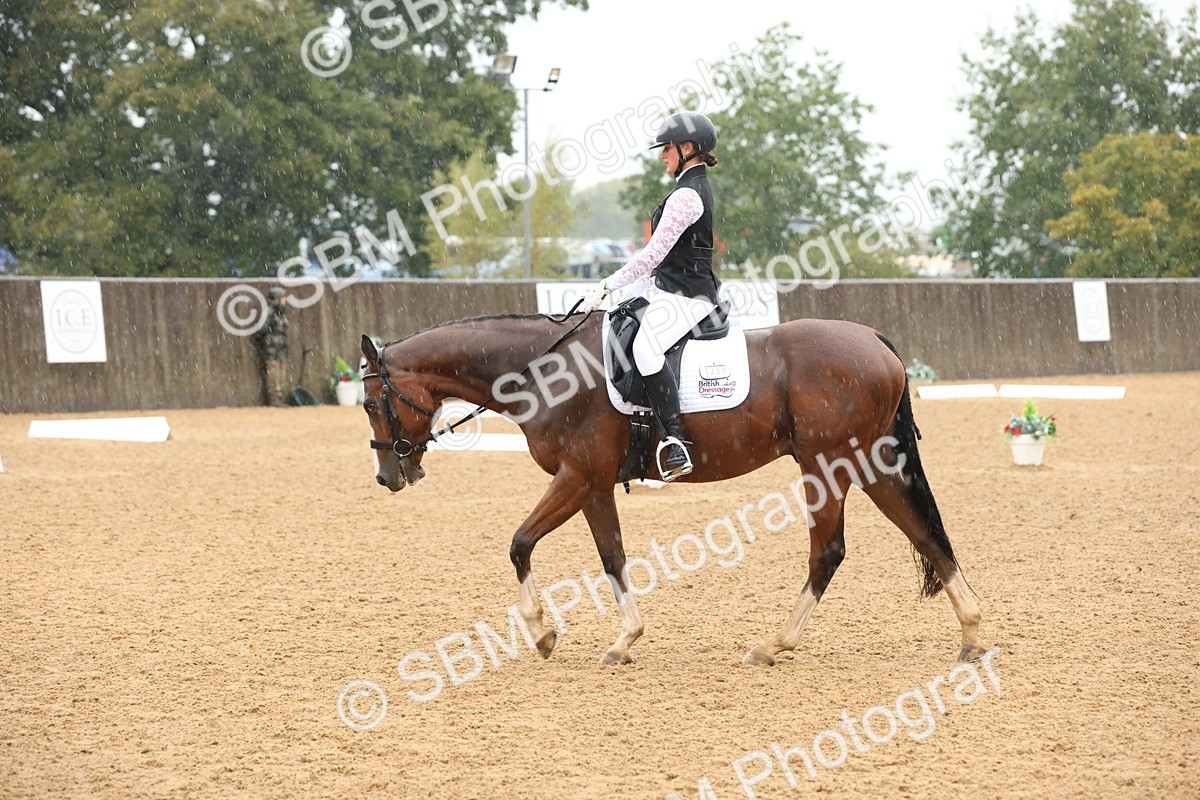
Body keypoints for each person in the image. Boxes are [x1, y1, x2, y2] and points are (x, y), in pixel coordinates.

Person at [577, 111, 722, 481]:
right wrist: (621, 295)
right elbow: (662, 265)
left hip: (689, 297)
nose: (663, 155)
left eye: (668, 148)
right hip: (671, 289)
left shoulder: (687, 196)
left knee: (645, 348)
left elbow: (653, 256)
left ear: (688, 149)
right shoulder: (686, 188)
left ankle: (675, 440)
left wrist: (609, 283)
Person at [256, 287, 290, 407]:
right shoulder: (269, 312)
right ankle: (274, 398)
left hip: (281, 348)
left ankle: (279, 397)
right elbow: (261, 329)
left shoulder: (281, 313)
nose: (285, 300)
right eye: (283, 298)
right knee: (273, 371)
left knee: (281, 372)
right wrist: (270, 338)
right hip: (272, 347)